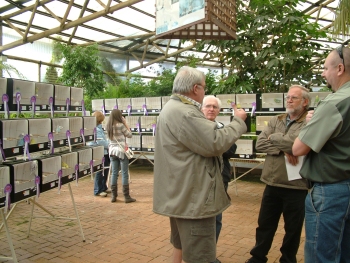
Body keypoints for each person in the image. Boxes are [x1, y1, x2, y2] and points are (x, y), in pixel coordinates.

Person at [153, 66, 247, 263]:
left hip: (181, 194)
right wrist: (238, 122)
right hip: (193, 199)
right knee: (200, 256)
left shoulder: (172, 108)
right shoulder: (186, 113)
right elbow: (214, 143)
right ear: (195, 88)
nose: (205, 92)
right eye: (204, 87)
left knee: (181, 248)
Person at [292, 46, 350, 263]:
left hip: (331, 191)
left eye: (326, 68)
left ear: (340, 68)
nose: (323, 73)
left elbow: (298, 148)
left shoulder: (334, 102)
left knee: (322, 256)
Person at [246, 85, 311, 263]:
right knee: (265, 225)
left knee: (293, 228)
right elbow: (259, 144)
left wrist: (276, 139)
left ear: (305, 102)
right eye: (287, 97)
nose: (288, 100)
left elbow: (302, 146)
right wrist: (286, 150)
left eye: (294, 98)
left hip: (296, 185)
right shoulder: (276, 120)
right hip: (272, 181)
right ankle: (258, 257)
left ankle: (288, 259)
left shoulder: (309, 123)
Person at [202, 95, 237, 263]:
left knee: (217, 219)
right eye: (208, 106)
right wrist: (219, 144)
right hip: (201, 180)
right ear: (201, 109)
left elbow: (232, 150)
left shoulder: (223, 127)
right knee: (201, 220)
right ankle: (200, 255)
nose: (211, 109)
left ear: (219, 110)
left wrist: (217, 143)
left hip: (221, 179)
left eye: (214, 107)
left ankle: (210, 255)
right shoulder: (198, 127)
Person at [106, 109, 136, 203]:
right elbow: (129, 135)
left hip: (112, 151)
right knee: (124, 173)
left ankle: (114, 196)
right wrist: (125, 123)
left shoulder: (108, 126)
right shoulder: (120, 125)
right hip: (121, 151)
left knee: (114, 173)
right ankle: (126, 197)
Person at [89, 111, 110, 197]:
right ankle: (98, 190)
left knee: (105, 169)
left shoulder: (99, 128)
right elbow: (100, 141)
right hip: (99, 152)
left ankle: (103, 187)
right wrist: (109, 145)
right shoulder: (95, 129)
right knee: (100, 171)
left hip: (104, 151)